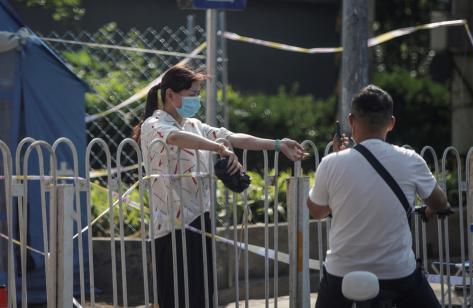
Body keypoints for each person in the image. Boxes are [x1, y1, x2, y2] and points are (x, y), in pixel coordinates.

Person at [132, 64, 306, 308]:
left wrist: (277, 144)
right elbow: (173, 138)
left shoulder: (194, 125)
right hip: (171, 226)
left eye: (198, 93)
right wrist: (218, 148)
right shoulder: (154, 124)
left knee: (201, 297)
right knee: (176, 298)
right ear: (170, 94)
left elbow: (234, 137)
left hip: (199, 219)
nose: (197, 99)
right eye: (192, 93)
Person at [307, 85, 450, 308]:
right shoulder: (410, 159)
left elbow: (317, 211)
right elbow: (440, 202)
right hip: (397, 274)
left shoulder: (331, 163)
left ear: (352, 121)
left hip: (341, 274)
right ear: (391, 123)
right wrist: (431, 209)